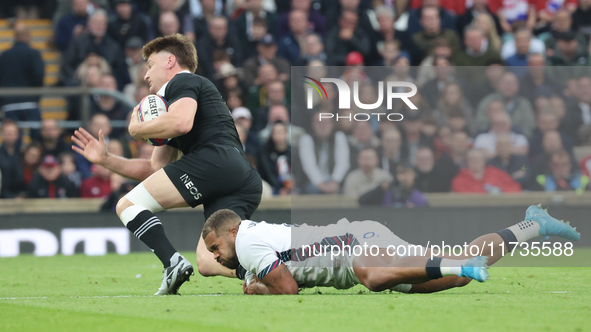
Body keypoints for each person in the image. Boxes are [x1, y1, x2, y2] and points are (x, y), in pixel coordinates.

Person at [71, 34, 262, 295]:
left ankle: (171, 263)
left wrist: (137, 129)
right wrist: (106, 159)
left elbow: (181, 123)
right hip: (240, 177)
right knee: (208, 261)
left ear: (170, 60)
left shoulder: (182, 81)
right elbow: (155, 170)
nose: (146, 74)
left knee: (127, 204)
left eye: (150, 65)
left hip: (214, 162)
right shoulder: (175, 106)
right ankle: (265, 270)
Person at [201, 206, 580, 295]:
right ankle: (532, 224)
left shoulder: (248, 241)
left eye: (216, 247)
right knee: (459, 277)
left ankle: (455, 260)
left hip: (351, 245)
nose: (216, 256)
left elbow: (288, 290)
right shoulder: (250, 243)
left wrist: (259, 289)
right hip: (357, 243)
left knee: (375, 277)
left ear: (231, 231)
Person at [0, 21, 44, 137]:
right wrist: (36, 95)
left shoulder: (4, 56)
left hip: (9, 103)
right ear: (28, 35)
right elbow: (39, 75)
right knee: (35, 138)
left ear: (14, 36)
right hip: (30, 102)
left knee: (13, 139)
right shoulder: (33, 53)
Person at [452, 149, 522, 193]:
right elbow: (461, 195)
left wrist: (501, 191)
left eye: (478, 159)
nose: (475, 162)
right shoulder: (461, 178)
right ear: (467, 162)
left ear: (484, 161)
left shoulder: (496, 173)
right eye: (472, 159)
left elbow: (515, 187)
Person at [0, 120, 25, 198]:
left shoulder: (23, 154)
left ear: (17, 135)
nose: (9, 135)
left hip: (20, 196)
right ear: (2, 134)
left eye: (12, 133)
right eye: (7, 132)